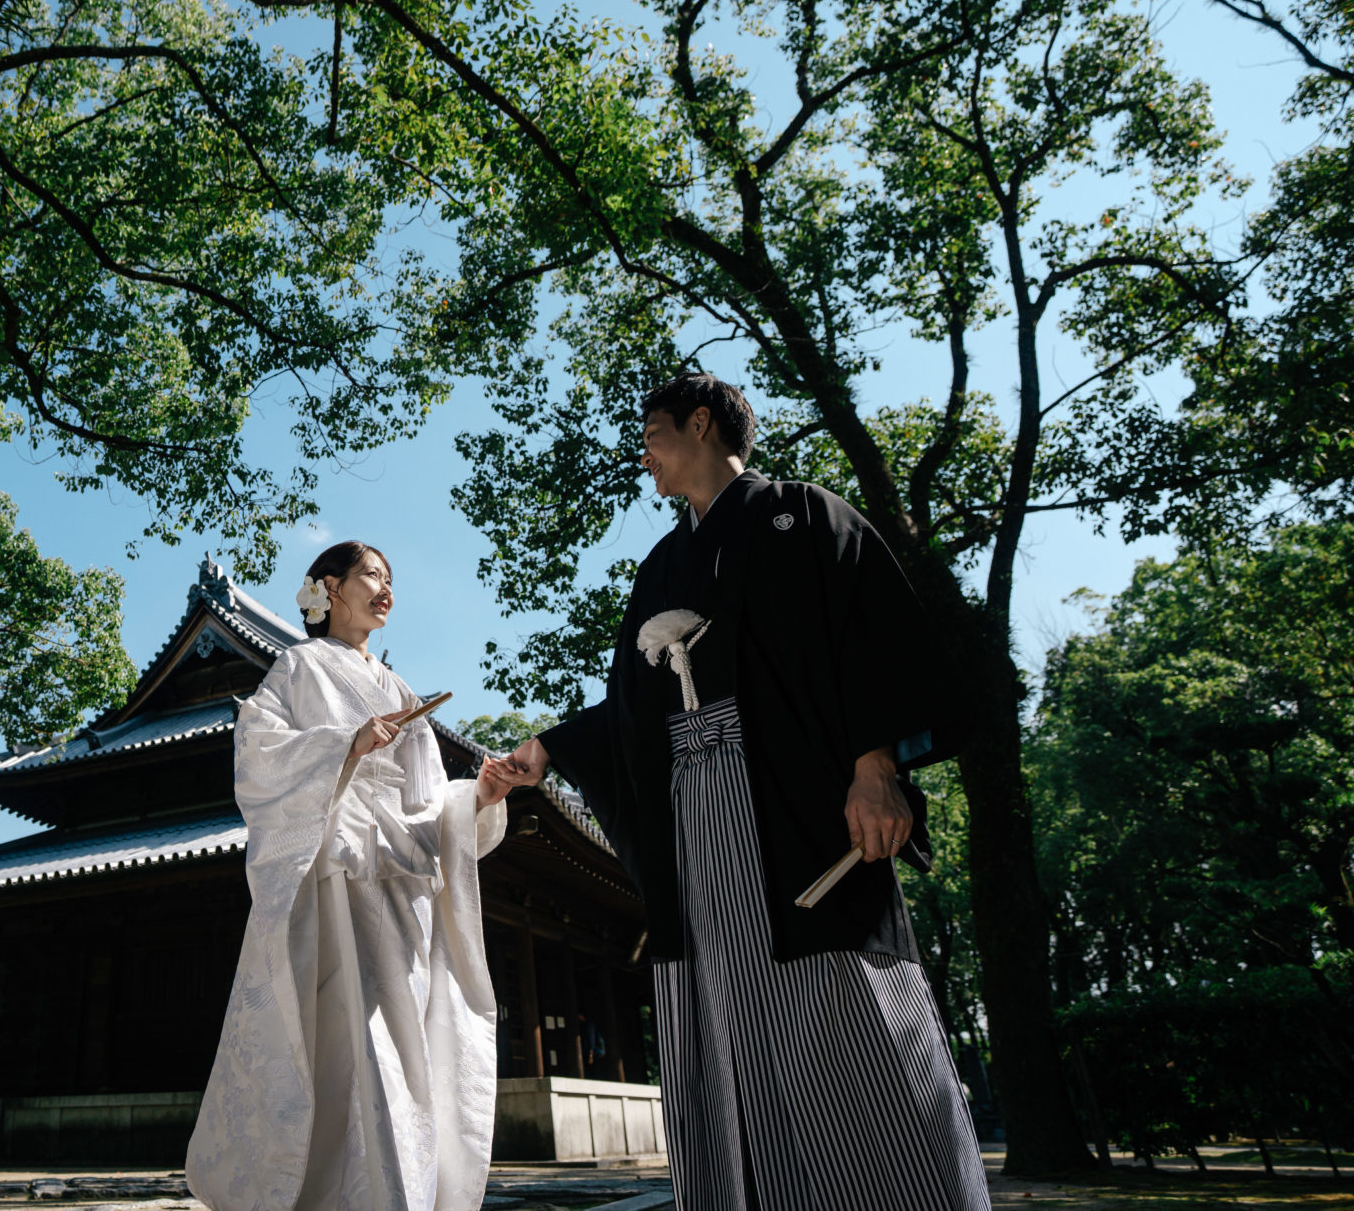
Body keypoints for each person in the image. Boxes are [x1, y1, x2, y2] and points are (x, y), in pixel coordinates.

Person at [505, 373, 991, 1211]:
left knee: (841, 999)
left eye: (652, 435)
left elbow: (872, 636)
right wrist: (549, 746)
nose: (645, 456)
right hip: (693, 819)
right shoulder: (661, 568)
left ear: (700, 423)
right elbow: (632, 710)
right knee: (717, 1007)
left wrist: (875, 765)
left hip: (799, 807)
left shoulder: (803, 514)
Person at [187, 541, 541, 1211]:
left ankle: (399, 1188)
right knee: (356, 1042)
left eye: (390, 579)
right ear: (330, 587)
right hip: (342, 868)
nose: (386, 590)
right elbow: (256, 754)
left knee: (405, 1046)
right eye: (372, 575)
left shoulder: (400, 690)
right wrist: (344, 743)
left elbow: (427, 801)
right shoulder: (298, 667)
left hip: (404, 882)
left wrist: (479, 795)